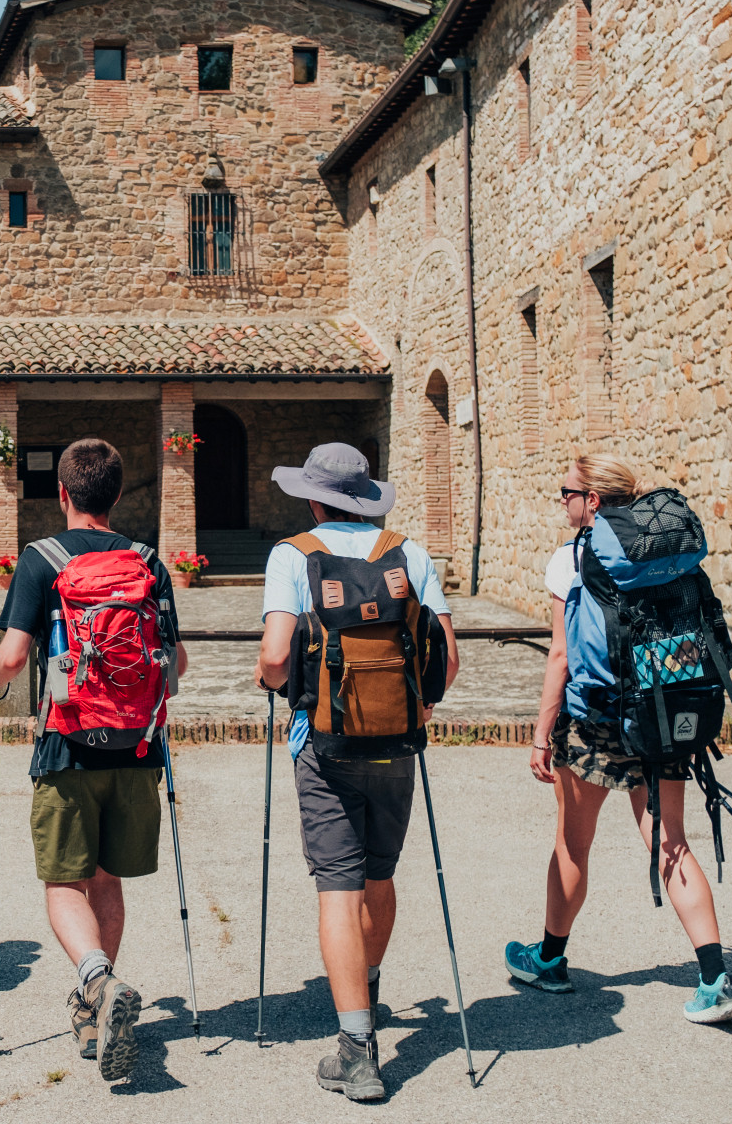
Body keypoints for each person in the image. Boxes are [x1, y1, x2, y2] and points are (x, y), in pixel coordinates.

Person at [503, 455, 732, 1024]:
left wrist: (541, 734)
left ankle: (549, 960)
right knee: (671, 842)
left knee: (573, 844)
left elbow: (561, 656)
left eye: (567, 492)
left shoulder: (571, 559)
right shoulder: (667, 550)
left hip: (596, 720)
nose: (562, 501)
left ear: (592, 500)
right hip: (663, 713)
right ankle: (716, 978)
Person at [254, 442, 458, 1103]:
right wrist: (415, 708)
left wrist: (270, 679)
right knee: (380, 875)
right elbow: (447, 659)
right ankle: (365, 988)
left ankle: (357, 1049)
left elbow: (276, 658)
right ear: (366, 501)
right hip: (399, 742)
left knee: (338, 888)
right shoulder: (410, 554)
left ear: (314, 501)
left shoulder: (294, 556)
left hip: (326, 746)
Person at [0, 438, 185, 1082]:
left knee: (65, 883)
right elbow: (175, 662)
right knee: (107, 879)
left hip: (67, 744)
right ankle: (94, 1010)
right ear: (117, 495)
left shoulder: (40, 560)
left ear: (62, 493)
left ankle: (97, 980)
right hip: (137, 746)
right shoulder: (146, 560)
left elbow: (13, 658)